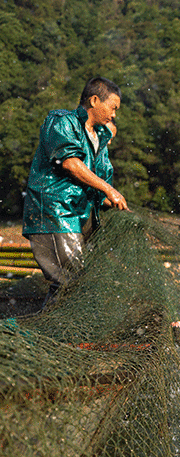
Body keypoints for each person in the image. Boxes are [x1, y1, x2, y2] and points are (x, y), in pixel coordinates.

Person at [23, 76, 129, 307]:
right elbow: (70, 163)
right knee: (71, 280)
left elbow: (98, 186)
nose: (113, 115)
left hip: (79, 216)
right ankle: (53, 336)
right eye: (113, 108)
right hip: (54, 214)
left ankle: (58, 334)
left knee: (72, 282)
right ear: (94, 100)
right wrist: (110, 190)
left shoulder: (100, 138)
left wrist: (114, 201)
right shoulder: (62, 121)